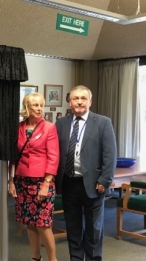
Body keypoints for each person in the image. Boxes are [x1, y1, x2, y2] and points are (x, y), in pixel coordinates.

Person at [55, 85, 117, 261]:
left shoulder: (103, 122)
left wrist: (104, 180)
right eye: (76, 98)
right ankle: (75, 258)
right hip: (68, 183)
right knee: (72, 227)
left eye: (83, 98)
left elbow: (110, 155)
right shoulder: (61, 123)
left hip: (93, 184)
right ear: (70, 101)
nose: (79, 102)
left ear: (90, 101)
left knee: (94, 229)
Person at [8, 92, 59, 261]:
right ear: (27, 107)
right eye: (35, 105)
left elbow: (53, 157)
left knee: (43, 224)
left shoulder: (49, 127)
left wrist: (46, 183)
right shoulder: (19, 127)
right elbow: (14, 156)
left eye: (41, 105)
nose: (39, 109)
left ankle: (52, 259)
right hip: (22, 181)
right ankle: (35, 258)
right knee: (29, 222)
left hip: (42, 182)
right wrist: (11, 180)